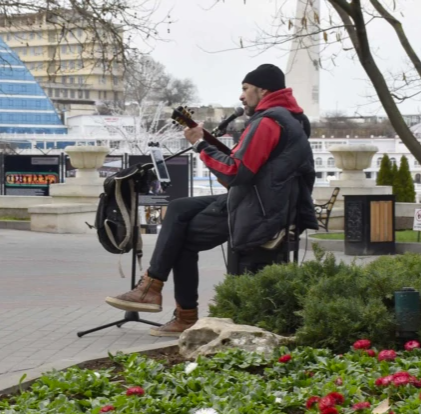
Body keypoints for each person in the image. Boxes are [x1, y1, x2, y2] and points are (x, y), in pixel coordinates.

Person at [105, 64, 318, 337]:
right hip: (268, 200)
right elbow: (249, 164)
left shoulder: (268, 122)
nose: (241, 97)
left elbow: (236, 172)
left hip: (260, 208)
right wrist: (204, 140)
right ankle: (155, 291)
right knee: (179, 208)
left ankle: (171, 305)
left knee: (179, 238)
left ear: (262, 90)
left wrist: (199, 145)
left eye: (245, 89)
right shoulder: (291, 119)